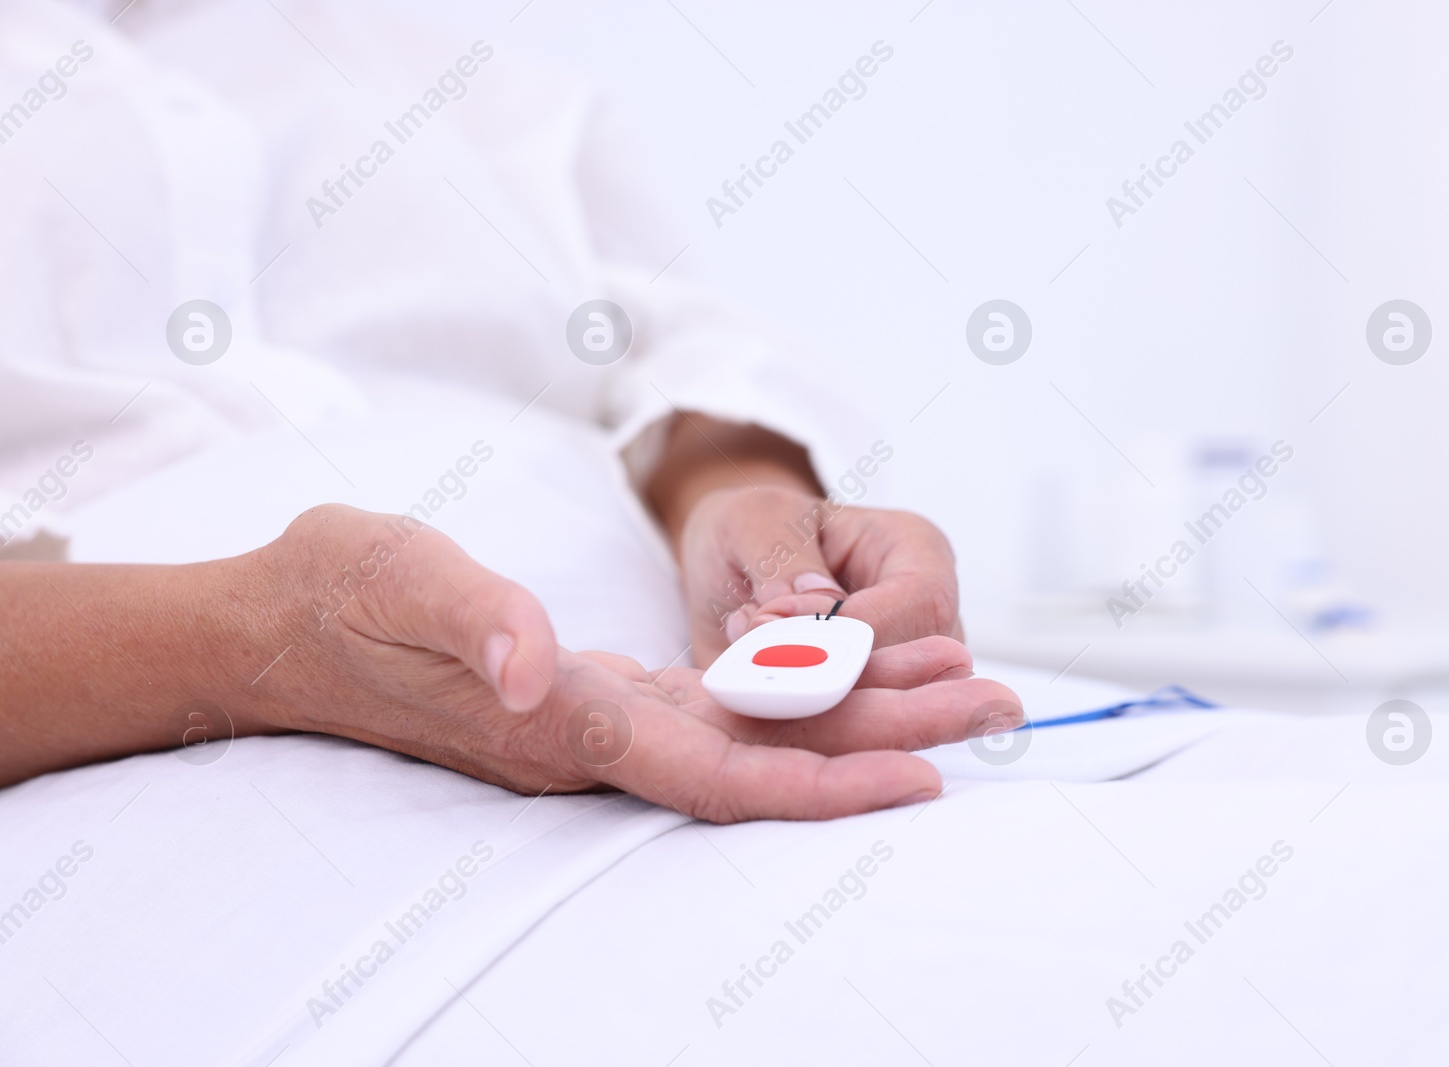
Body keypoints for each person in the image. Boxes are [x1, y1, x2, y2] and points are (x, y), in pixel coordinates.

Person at [0, 0, 1019, 820]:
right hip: (228, 802)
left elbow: (669, 367)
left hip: (693, 715)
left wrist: (739, 494)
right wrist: (256, 642)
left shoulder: (459, 83)